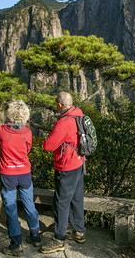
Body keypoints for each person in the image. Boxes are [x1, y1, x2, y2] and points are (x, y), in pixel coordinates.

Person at [0, 98, 41, 256]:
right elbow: (27, 149)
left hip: (8, 174)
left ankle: (16, 244)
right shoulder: (27, 132)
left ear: (10, 114)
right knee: (30, 205)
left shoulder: (2, 130)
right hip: (24, 174)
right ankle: (35, 236)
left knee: (11, 209)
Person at [39, 91, 86, 254]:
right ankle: (79, 231)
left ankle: (59, 238)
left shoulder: (63, 123)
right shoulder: (78, 114)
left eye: (56, 103)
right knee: (76, 197)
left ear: (60, 105)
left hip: (66, 166)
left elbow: (48, 146)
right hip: (79, 162)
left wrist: (46, 139)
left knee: (61, 202)